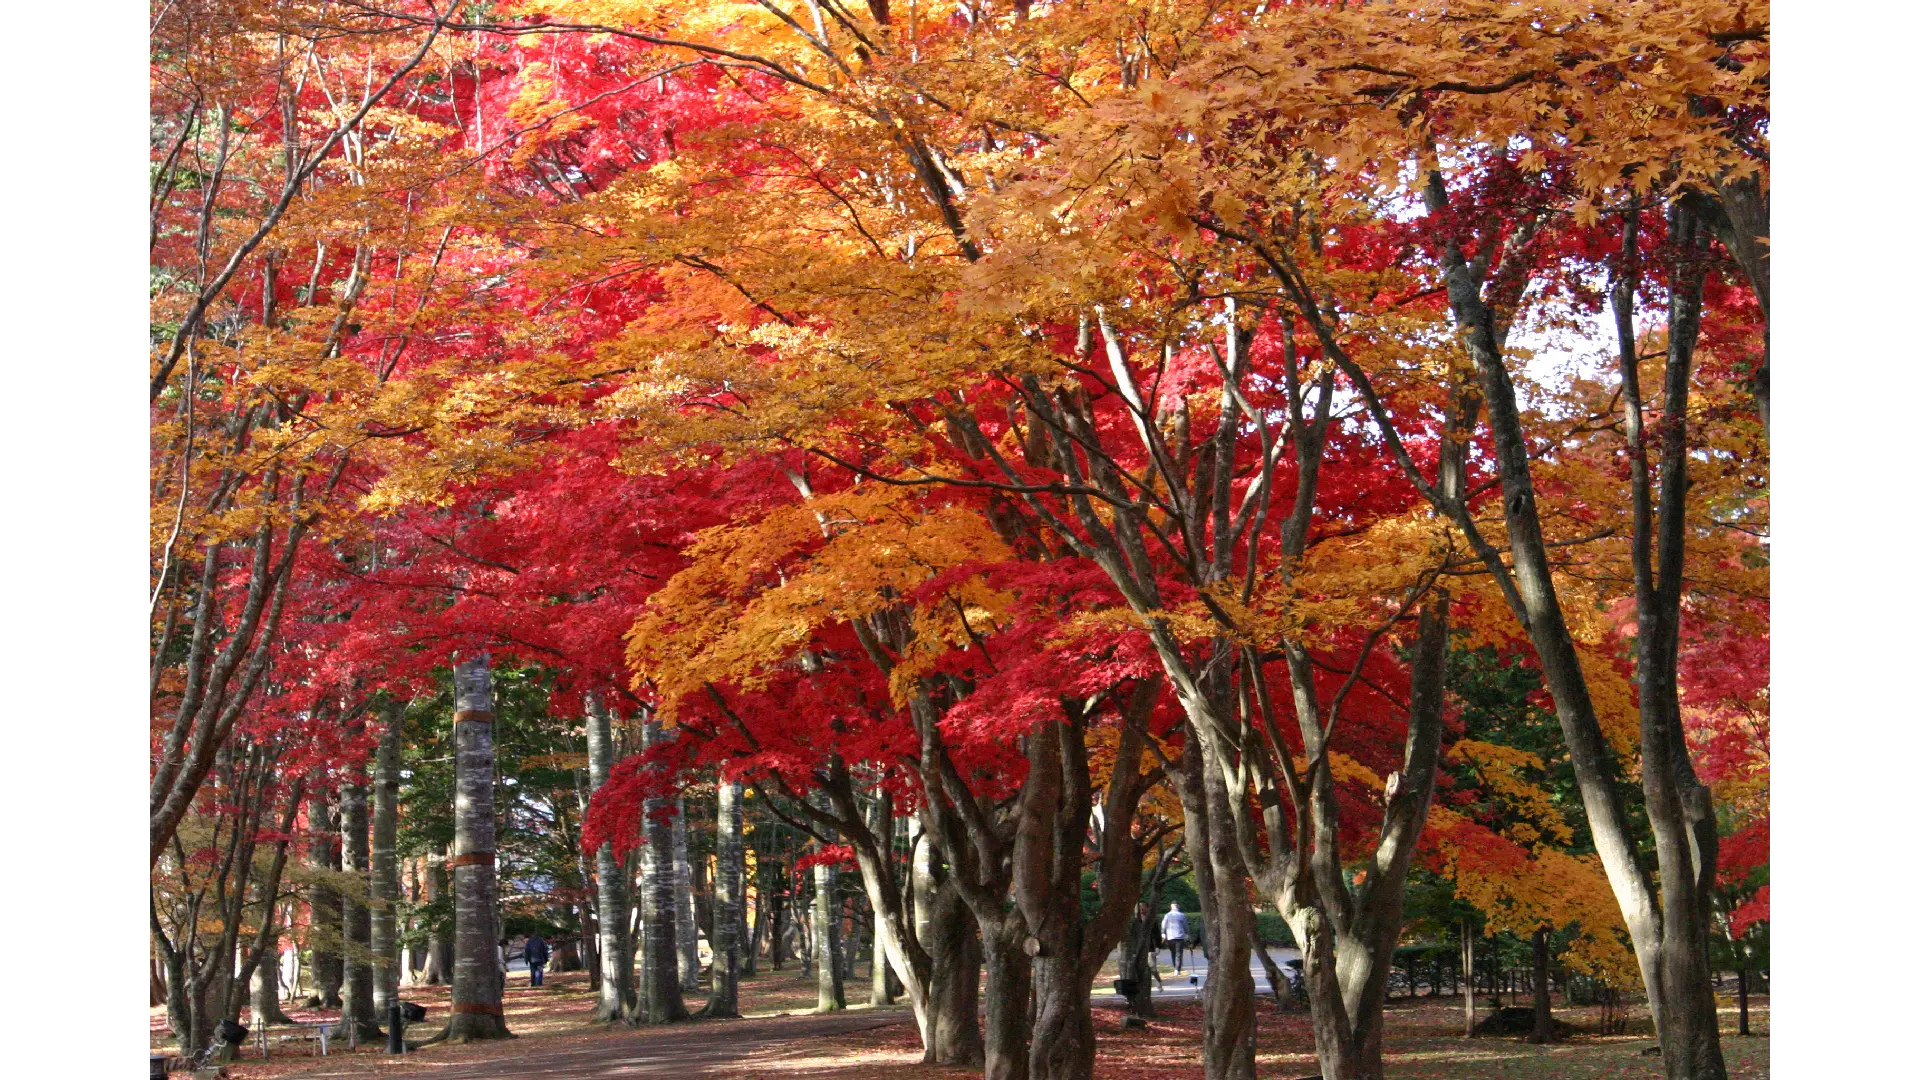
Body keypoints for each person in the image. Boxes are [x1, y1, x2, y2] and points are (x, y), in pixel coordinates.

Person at [1161, 902, 1189, 973]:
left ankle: (1175, 967)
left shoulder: (1167, 915)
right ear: (1178, 907)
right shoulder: (1182, 915)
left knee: (1173, 953)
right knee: (1179, 953)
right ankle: (1177, 969)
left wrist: (1163, 933)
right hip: (1180, 937)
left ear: (1171, 907)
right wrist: (1187, 933)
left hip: (1170, 937)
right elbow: (1185, 926)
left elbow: (1163, 925)